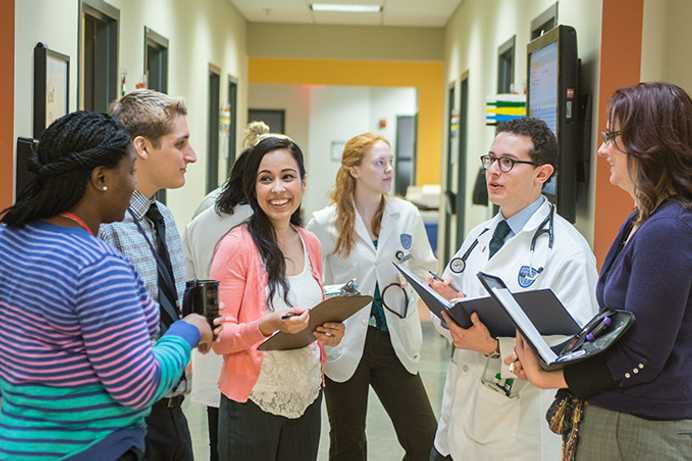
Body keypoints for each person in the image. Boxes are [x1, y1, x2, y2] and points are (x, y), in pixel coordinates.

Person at [0, 111, 214, 461]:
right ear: (100, 178)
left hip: (19, 445)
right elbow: (138, 385)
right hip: (92, 448)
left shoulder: (8, 239)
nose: (133, 184)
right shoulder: (97, 266)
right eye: (130, 171)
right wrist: (187, 331)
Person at [507, 82, 692, 461]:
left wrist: (550, 377)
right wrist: (554, 356)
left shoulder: (668, 230)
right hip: (621, 418)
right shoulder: (641, 220)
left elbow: (639, 356)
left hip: (640, 429)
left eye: (612, 137)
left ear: (648, 143)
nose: (601, 149)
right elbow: (617, 329)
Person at [428, 118, 599, 461]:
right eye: (490, 159)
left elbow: (576, 353)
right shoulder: (479, 235)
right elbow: (448, 313)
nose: (494, 171)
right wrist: (445, 307)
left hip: (516, 435)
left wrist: (493, 347)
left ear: (542, 173)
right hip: (455, 425)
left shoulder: (568, 253)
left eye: (508, 162)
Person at [210, 136, 345, 460]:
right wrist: (265, 327)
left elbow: (311, 318)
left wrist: (330, 333)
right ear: (252, 187)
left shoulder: (310, 242)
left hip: (307, 396)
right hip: (253, 401)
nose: (278, 189)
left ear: (303, 182)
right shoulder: (236, 246)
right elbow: (218, 339)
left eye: (287, 176)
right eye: (266, 179)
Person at [307, 132, 438, 461]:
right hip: (346, 340)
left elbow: (424, 267)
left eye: (390, 161)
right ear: (354, 169)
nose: (389, 169)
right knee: (348, 445)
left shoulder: (406, 214)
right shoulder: (324, 223)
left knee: (425, 441)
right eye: (380, 163)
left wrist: (409, 283)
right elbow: (311, 284)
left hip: (394, 339)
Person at [99, 89, 198, 461]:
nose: (192, 156)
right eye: (181, 144)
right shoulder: (106, 228)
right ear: (142, 147)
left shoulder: (165, 220)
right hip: (127, 418)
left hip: (172, 409)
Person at [183, 122, 270, 461]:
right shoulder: (267, 219)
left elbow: (188, 281)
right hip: (253, 349)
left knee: (220, 442)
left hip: (212, 344)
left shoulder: (205, 212)